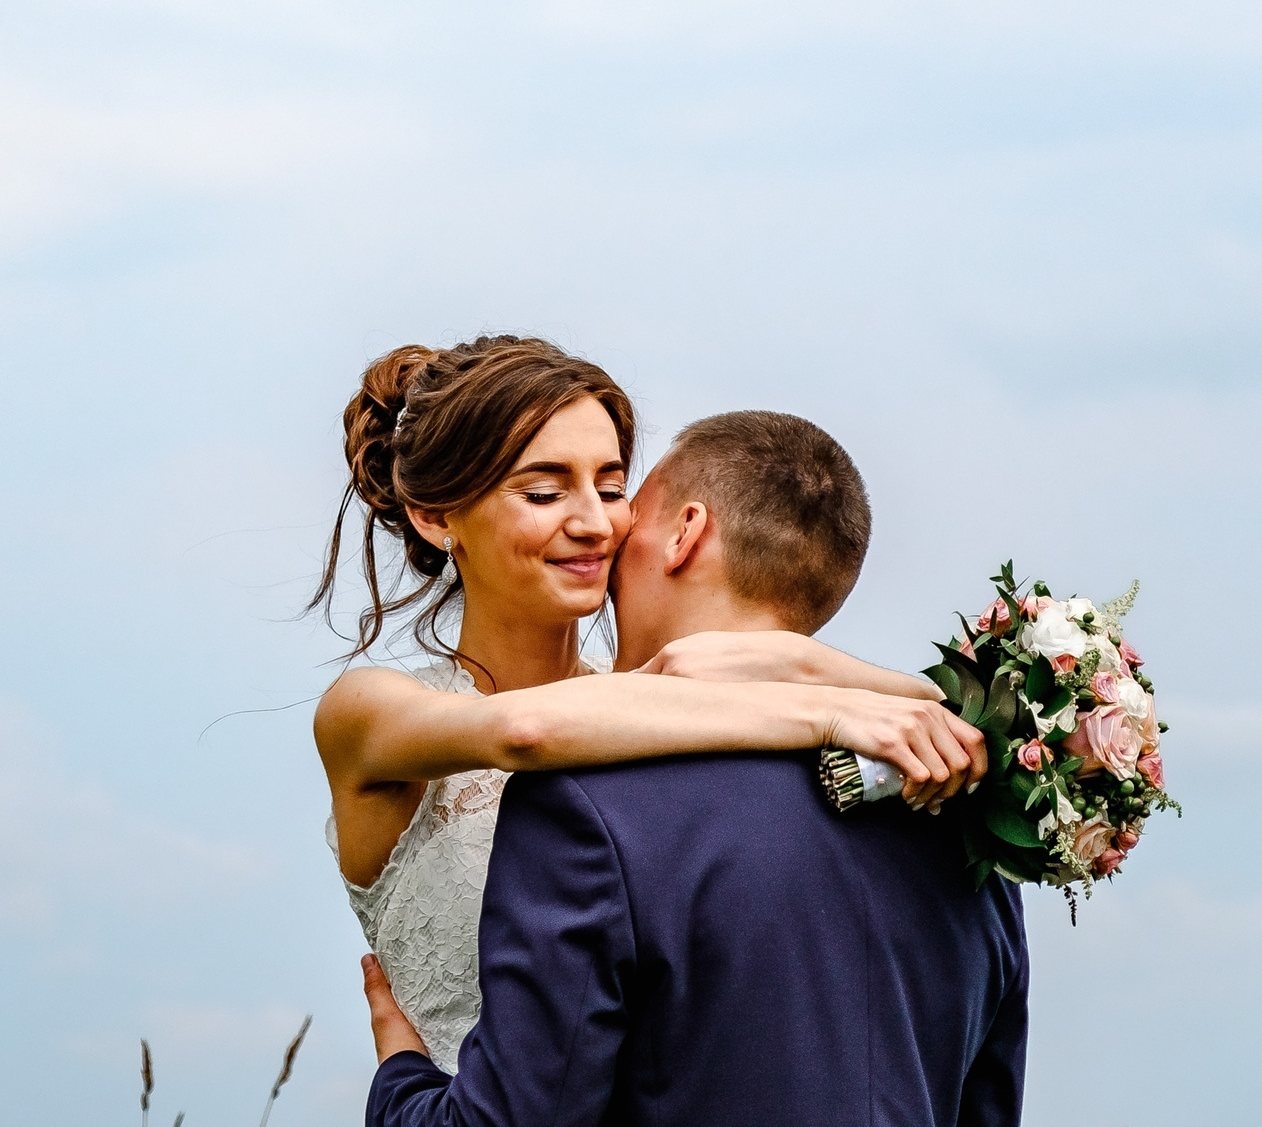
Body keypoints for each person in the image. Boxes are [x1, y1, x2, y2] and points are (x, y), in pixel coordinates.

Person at [312, 338, 986, 1072]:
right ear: (435, 515)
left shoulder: (657, 694)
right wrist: (823, 709)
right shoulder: (369, 710)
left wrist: (798, 660)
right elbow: (525, 729)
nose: (595, 523)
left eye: (609, 486)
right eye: (545, 491)